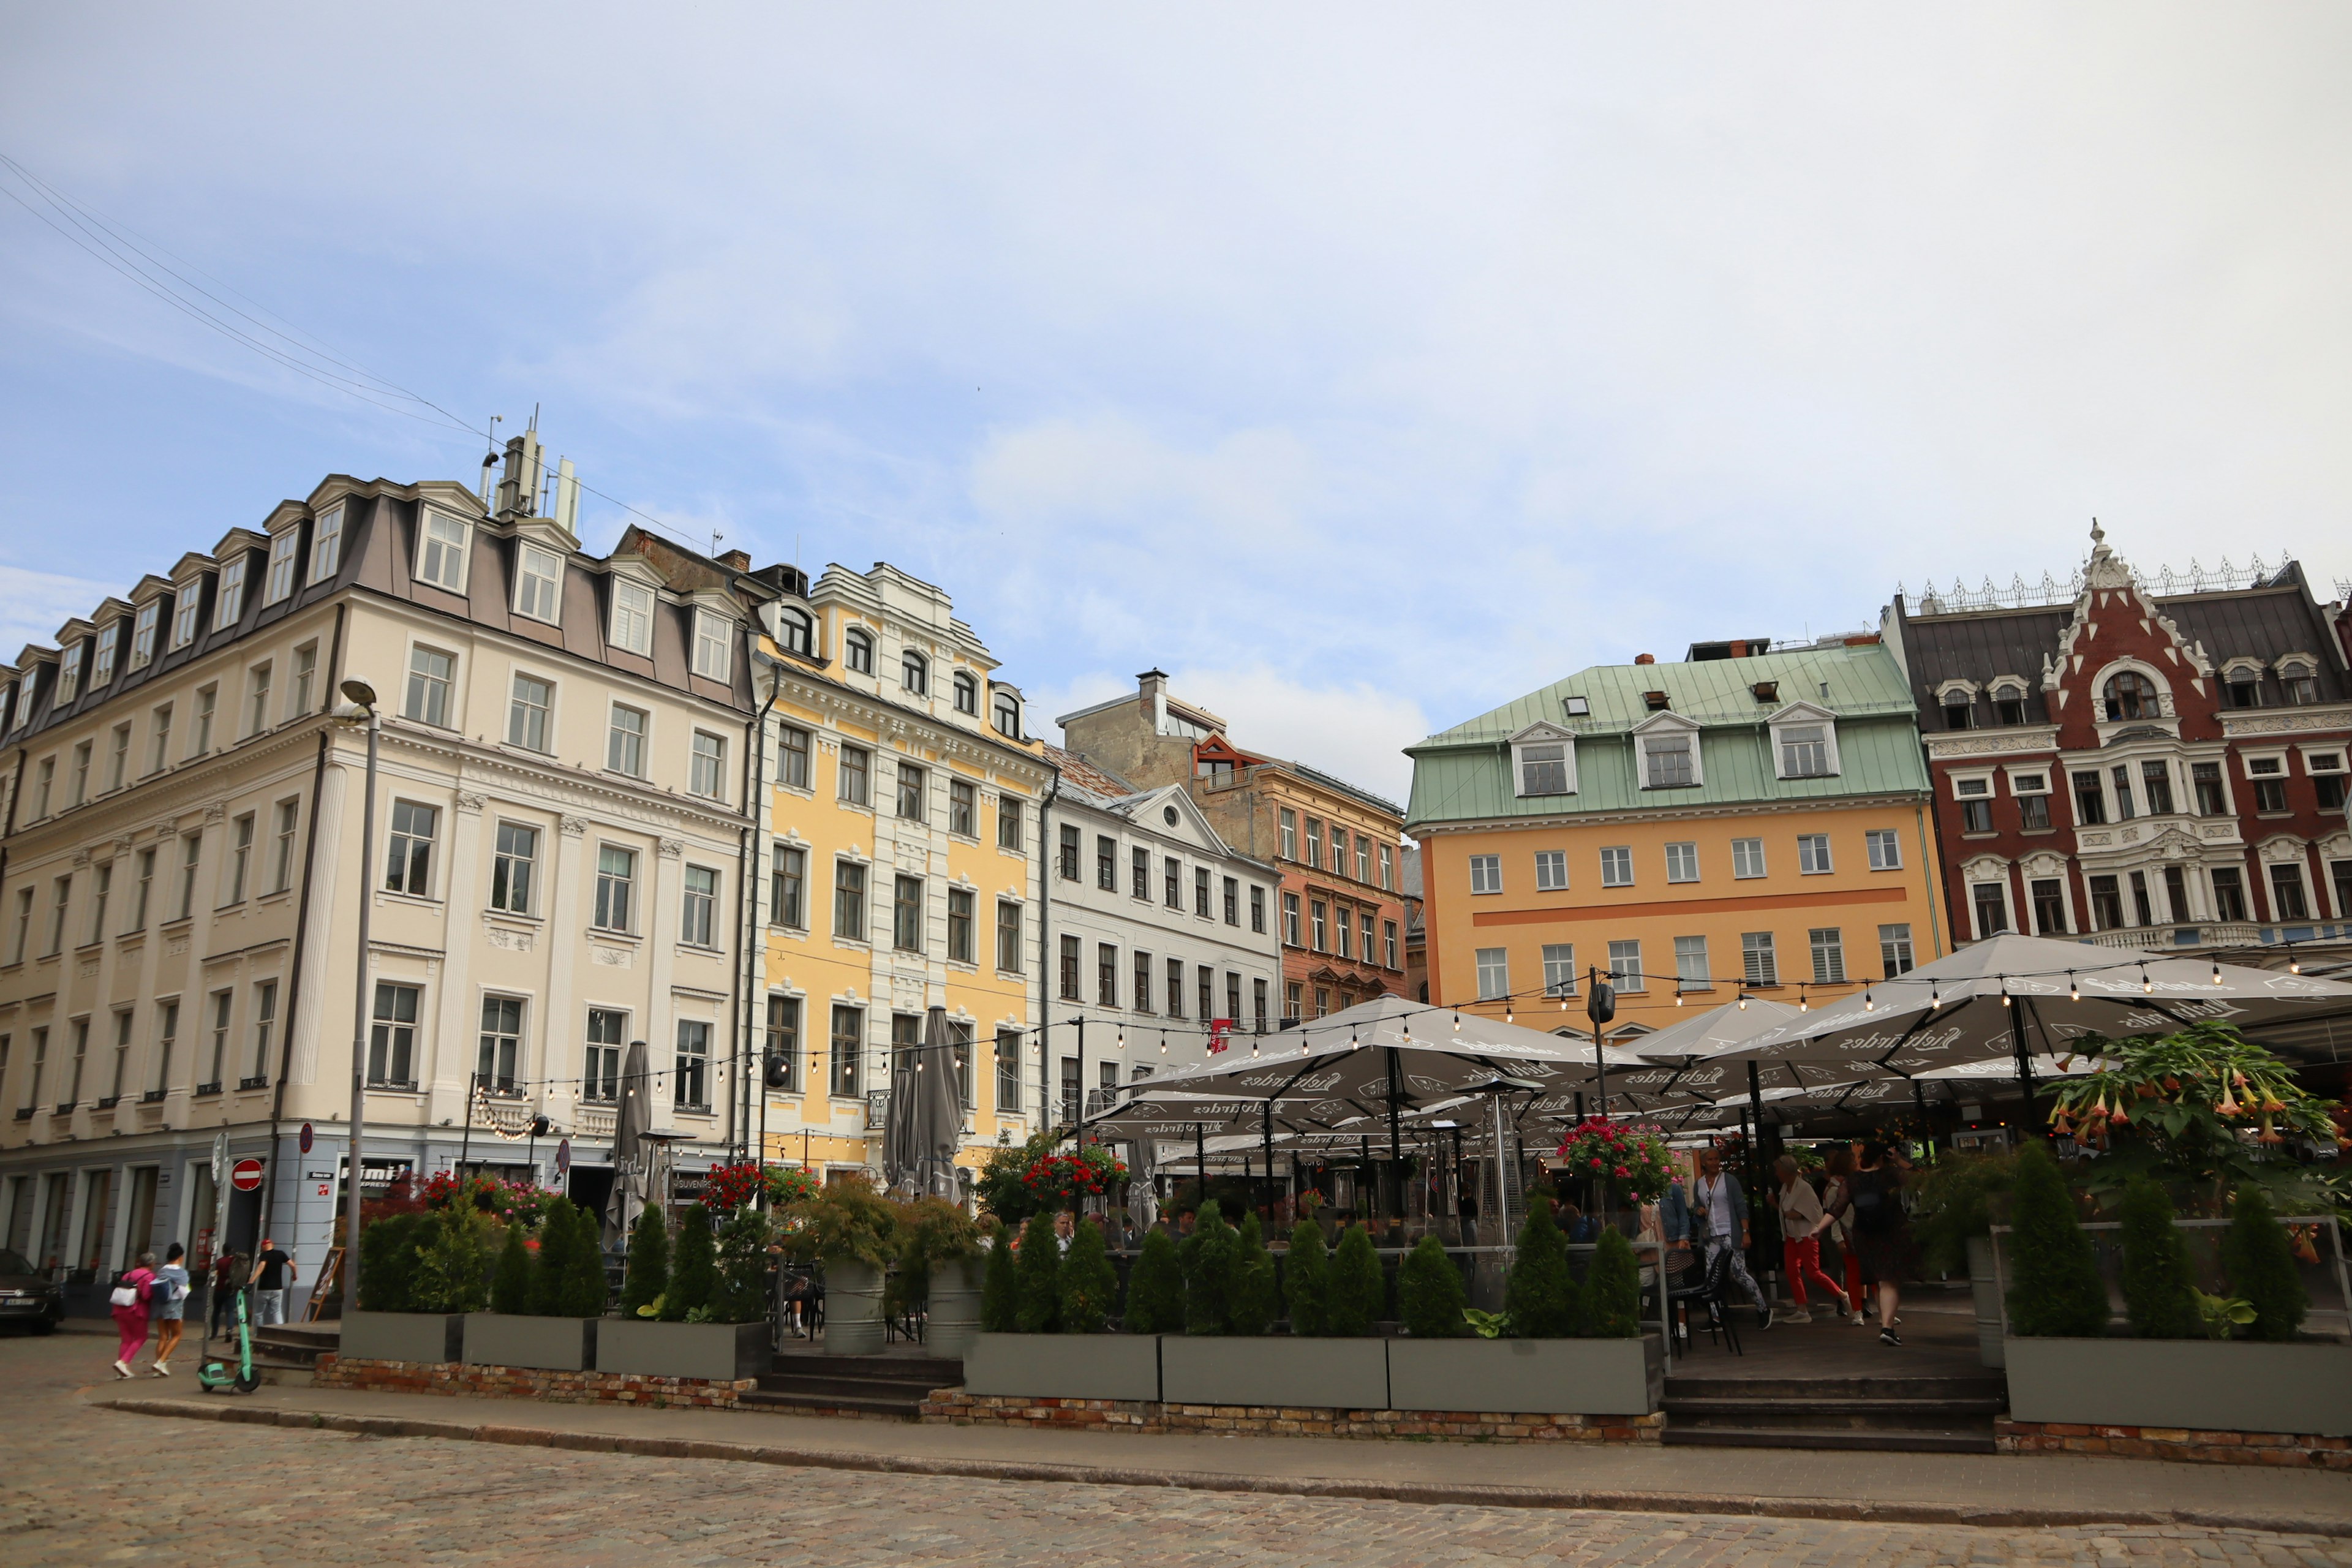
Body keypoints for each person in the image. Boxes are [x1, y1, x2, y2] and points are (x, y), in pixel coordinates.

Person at [1691, 1147, 1774, 1329]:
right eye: (1711, 1160)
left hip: (1730, 1232)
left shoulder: (1729, 1181)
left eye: (1716, 1159)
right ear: (1704, 1162)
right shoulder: (1699, 1184)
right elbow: (1697, 1206)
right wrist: (1698, 1210)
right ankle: (1716, 1317)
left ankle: (1763, 1308)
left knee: (1738, 1273)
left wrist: (1745, 1232)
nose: (1714, 1162)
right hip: (1711, 1235)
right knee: (1711, 1277)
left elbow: (1740, 1207)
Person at [1844, 1140, 1913, 1346]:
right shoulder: (1891, 1176)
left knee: (1881, 1281)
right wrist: (1899, 1160)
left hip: (1865, 1235)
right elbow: (1922, 1177)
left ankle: (1887, 1324)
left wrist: (1819, 1228)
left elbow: (1837, 1208)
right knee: (1888, 1280)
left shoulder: (1854, 1180)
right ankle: (1887, 1327)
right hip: (1890, 1233)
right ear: (1883, 1156)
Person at [1772, 1156, 1844, 1323]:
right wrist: (1776, 1206)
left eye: (1778, 1170)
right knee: (1791, 1271)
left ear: (1786, 1172)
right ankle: (1802, 1309)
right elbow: (1785, 1211)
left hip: (1806, 1235)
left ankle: (1841, 1294)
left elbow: (1817, 1213)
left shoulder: (1804, 1188)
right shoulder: (1785, 1188)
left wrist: (1798, 1215)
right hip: (1791, 1236)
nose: (1776, 1174)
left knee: (1813, 1273)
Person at [1818, 1148, 1866, 1324]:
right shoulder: (1834, 1190)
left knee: (1869, 1271)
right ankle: (1857, 1310)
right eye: (1853, 1162)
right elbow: (1834, 1216)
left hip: (1861, 1230)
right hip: (1848, 1232)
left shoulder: (1852, 1183)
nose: (1856, 1165)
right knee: (1853, 1272)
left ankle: (1877, 1309)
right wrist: (1838, 1238)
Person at [110, 1251, 157, 1379]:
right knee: (141, 1338)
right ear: (152, 1264)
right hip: (136, 1311)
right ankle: (123, 1362)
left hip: (119, 1309)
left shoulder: (128, 1274)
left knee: (126, 1340)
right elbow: (147, 1296)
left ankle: (121, 1370)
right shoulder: (149, 1276)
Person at [149, 1243, 191, 1376]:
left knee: (163, 1337)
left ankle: (159, 1367)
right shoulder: (181, 1273)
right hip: (174, 1307)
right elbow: (184, 1293)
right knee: (177, 1335)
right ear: (180, 1257)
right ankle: (161, 1362)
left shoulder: (161, 1271)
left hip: (160, 1306)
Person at [249, 1237, 296, 1326]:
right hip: (278, 1289)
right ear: (273, 1245)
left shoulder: (264, 1255)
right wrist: (294, 1275)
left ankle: (259, 1332)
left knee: (258, 1313)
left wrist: (251, 1281)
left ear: (263, 1246)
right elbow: (293, 1265)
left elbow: (261, 1266)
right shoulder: (281, 1254)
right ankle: (281, 1332)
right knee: (277, 1311)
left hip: (264, 1289)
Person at [208, 1249, 244, 1340]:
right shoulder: (235, 1262)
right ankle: (229, 1330)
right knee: (230, 1311)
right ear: (231, 1251)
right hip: (231, 1289)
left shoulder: (219, 1262)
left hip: (219, 1289)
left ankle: (214, 1334)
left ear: (223, 1251)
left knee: (216, 1311)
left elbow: (213, 1274)